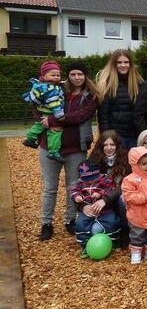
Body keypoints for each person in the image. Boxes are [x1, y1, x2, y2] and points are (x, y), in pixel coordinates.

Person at [37, 61, 98, 240]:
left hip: (76, 148)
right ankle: (46, 223)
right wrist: (43, 119)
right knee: (50, 188)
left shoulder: (91, 96)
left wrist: (53, 121)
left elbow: (79, 116)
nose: (77, 77)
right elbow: (39, 107)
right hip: (49, 146)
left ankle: (71, 220)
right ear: (68, 76)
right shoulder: (56, 89)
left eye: (80, 74)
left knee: (73, 187)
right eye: (73, 74)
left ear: (85, 76)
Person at [87, 130, 131, 248]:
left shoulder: (125, 161)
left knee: (123, 199)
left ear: (117, 146)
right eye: (105, 145)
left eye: (112, 144)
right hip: (101, 202)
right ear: (101, 146)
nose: (109, 148)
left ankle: (124, 230)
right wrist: (83, 206)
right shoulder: (94, 161)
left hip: (116, 199)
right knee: (94, 229)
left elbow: (125, 186)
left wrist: (106, 199)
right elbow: (84, 186)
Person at [96, 49, 143, 149]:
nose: (123, 65)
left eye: (126, 62)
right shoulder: (107, 83)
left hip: (134, 136)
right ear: (114, 64)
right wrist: (107, 137)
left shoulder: (138, 83)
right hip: (115, 137)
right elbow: (103, 114)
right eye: (119, 62)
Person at [71, 160, 118, 258]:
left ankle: (112, 242)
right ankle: (85, 245)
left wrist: (101, 194)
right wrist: (77, 197)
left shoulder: (105, 179)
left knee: (111, 222)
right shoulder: (80, 183)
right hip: (88, 210)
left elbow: (112, 190)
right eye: (87, 179)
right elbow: (74, 191)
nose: (90, 181)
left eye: (93, 179)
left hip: (105, 210)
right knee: (80, 224)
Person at [22, 60, 65, 163]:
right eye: (53, 75)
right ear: (44, 76)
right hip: (51, 111)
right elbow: (53, 101)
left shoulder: (41, 85)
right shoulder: (51, 88)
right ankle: (53, 151)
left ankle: (31, 138)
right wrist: (59, 114)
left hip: (43, 111)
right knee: (55, 131)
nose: (56, 77)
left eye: (58, 75)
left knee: (40, 124)